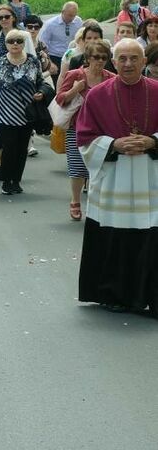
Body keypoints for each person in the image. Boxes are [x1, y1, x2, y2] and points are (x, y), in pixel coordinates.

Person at [75, 38, 158, 314]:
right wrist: (114, 144)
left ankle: (150, 296)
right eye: (122, 58)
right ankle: (115, 294)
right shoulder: (97, 95)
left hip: (150, 176)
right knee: (116, 238)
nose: (128, 64)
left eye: (134, 58)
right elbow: (84, 138)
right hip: (114, 178)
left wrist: (153, 142)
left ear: (144, 61)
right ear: (114, 61)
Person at [55, 40, 113, 221]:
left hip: (101, 129)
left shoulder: (111, 78)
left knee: (99, 167)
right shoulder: (76, 74)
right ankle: (75, 201)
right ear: (88, 58)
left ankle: (96, 203)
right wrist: (75, 89)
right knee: (77, 167)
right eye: (96, 57)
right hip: (77, 127)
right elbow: (60, 99)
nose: (100, 61)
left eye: (104, 57)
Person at [0, 28, 46, 195]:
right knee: (9, 147)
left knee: (21, 149)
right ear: (6, 44)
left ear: (24, 43)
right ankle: (6, 180)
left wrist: (41, 92)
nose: (15, 44)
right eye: (11, 41)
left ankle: (16, 180)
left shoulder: (33, 61)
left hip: (27, 113)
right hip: (5, 113)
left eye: (19, 40)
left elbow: (40, 81)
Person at [40, 2, 83, 80]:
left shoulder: (78, 21)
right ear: (63, 12)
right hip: (56, 57)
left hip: (72, 56)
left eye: (74, 15)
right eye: (70, 15)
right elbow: (43, 44)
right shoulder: (50, 24)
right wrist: (50, 63)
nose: (72, 18)